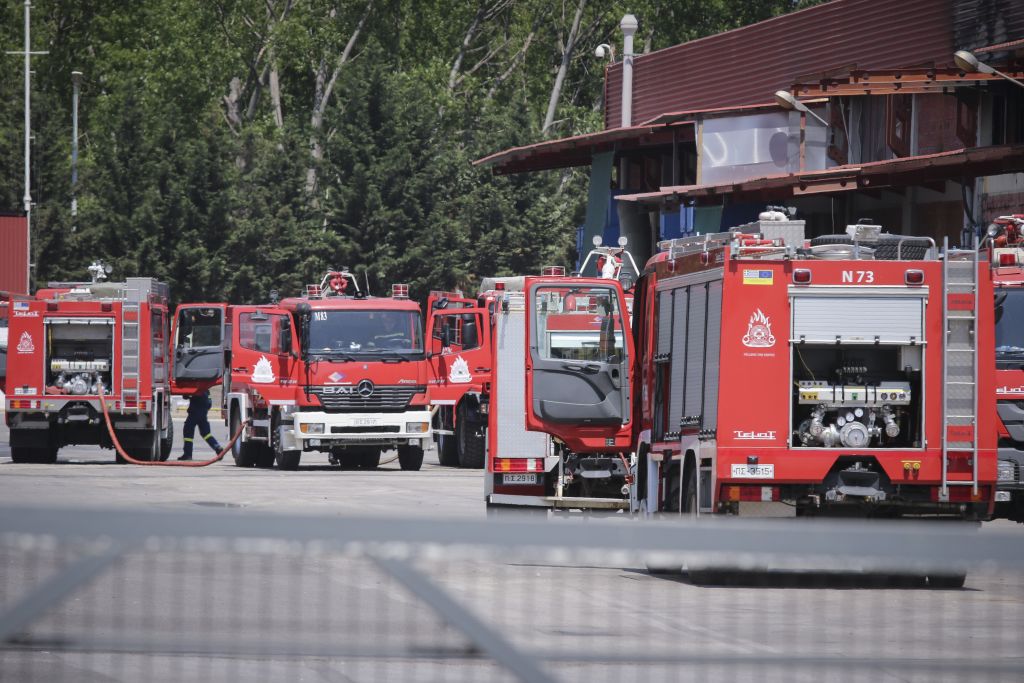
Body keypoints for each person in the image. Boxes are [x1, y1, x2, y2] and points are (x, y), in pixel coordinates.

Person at [179, 389, 222, 460]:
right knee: (206, 433)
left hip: (194, 413)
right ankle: (217, 447)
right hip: (203, 413)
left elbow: (186, 396)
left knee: (188, 432)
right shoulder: (206, 389)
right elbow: (209, 404)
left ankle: (188, 454)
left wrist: (186, 395)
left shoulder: (196, 387)